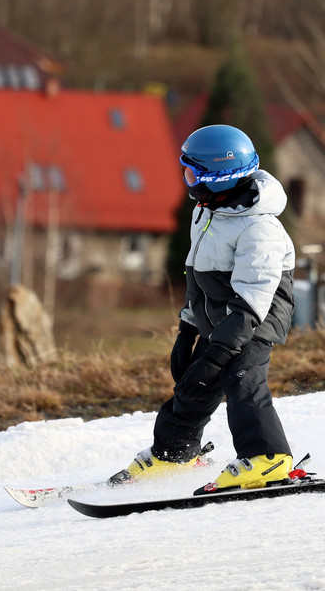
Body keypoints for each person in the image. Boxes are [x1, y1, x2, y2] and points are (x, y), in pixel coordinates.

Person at [115, 124, 297, 492]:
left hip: (254, 318)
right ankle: (174, 453)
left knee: (241, 380)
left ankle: (269, 459)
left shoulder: (259, 228)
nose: (186, 179)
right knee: (194, 385)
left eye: (192, 172)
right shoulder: (207, 211)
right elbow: (198, 278)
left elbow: (253, 300)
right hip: (220, 315)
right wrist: (187, 330)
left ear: (219, 177)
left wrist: (219, 352)